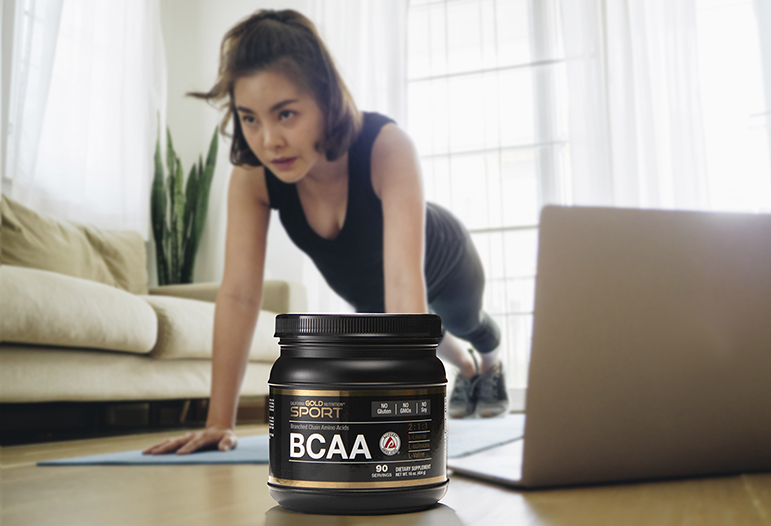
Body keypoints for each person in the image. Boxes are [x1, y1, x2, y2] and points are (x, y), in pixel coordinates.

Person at [143, 9, 507, 456]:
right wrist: (219, 421)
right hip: (373, 292)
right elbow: (239, 294)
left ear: (327, 99)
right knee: (417, 328)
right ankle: (468, 373)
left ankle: (490, 361)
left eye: (286, 114)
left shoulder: (386, 146)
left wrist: (411, 411)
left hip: (445, 261)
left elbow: (403, 281)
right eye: (250, 118)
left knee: (464, 322)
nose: (268, 139)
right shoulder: (254, 174)